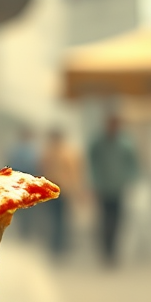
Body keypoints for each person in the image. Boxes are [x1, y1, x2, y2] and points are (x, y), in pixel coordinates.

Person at [87, 113, 139, 265]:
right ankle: (105, 250)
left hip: (118, 187)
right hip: (102, 188)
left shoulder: (125, 143)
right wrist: (93, 182)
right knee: (104, 220)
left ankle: (113, 251)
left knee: (117, 221)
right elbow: (91, 163)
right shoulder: (98, 143)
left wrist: (131, 179)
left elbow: (132, 164)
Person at [40, 127, 84, 254]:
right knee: (53, 218)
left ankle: (59, 243)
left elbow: (74, 172)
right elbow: (42, 170)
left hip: (63, 190)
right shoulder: (48, 153)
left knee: (60, 218)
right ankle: (55, 243)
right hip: (51, 189)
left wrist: (76, 189)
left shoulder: (66, 153)